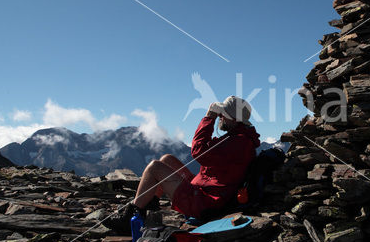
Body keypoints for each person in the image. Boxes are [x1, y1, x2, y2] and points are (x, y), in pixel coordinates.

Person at [106, 96, 260, 231]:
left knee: (154, 167)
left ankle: (131, 216)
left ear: (232, 119)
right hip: (207, 191)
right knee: (167, 159)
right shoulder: (238, 138)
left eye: (222, 115)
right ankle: (149, 204)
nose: (220, 117)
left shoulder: (238, 142)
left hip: (207, 203)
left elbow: (198, 151)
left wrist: (208, 118)